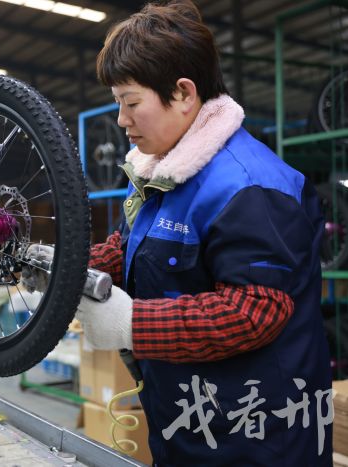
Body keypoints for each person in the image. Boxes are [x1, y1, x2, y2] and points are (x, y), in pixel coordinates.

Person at [27, 1, 332, 464]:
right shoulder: (167, 174)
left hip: (257, 440)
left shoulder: (250, 187)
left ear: (184, 93)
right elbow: (132, 248)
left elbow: (255, 310)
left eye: (131, 103)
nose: (122, 119)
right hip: (188, 426)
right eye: (118, 104)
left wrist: (132, 324)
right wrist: (64, 269)